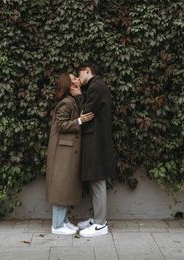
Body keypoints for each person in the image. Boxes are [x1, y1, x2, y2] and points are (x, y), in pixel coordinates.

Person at [70, 62, 116, 237]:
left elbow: (85, 113)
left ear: (87, 71)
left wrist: (79, 95)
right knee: (94, 179)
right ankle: (96, 217)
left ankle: (100, 223)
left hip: (96, 142)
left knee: (97, 180)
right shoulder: (95, 86)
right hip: (95, 141)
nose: (78, 77)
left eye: (79, 74)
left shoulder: (96, 86)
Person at [46, 72, 94, 235]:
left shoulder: (70, 100)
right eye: (74, 78)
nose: (77, 79)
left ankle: (64, 221)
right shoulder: (66, 103)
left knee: (65, 188)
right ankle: (57, 226)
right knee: (61, 188)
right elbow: (60, 125)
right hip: (62, 152)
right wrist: (80, 121)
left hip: (66, 151)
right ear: (68, 84)